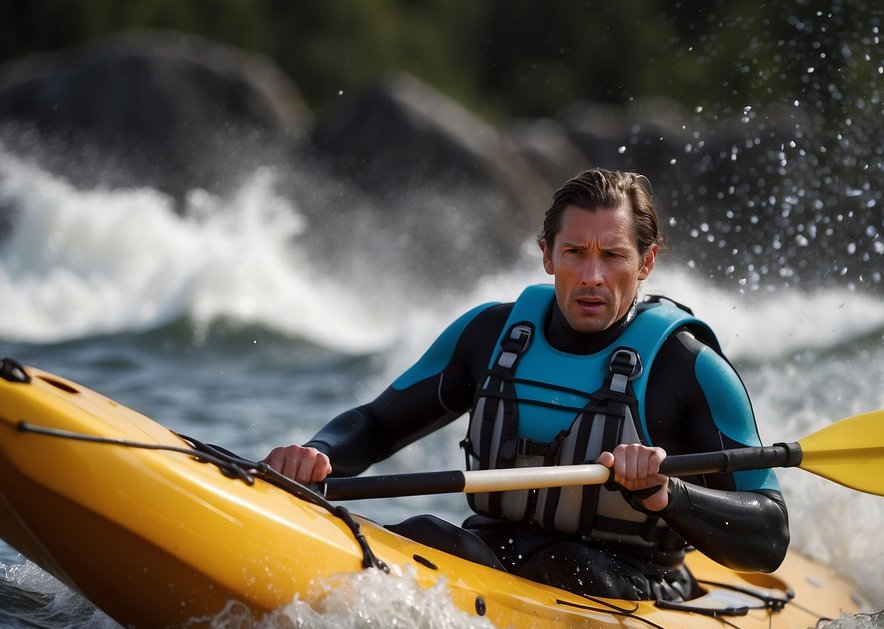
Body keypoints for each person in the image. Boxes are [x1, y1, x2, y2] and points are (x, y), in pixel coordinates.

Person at [264, 168, 788, 602]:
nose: (591, 277)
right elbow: (377, 423)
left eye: (613, 256)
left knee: (566, 566)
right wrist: (317, 454)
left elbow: (769, 535)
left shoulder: (689, 370)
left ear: (646, 263)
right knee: (424, 532)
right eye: (574, 253)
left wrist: (663, 492)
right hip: (493, 552)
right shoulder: (490, 335)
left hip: (630, 580)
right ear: (546, 255)